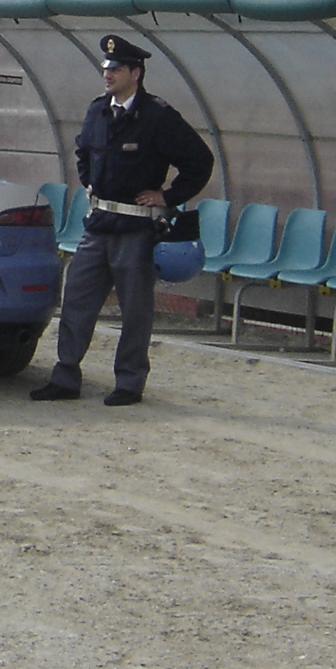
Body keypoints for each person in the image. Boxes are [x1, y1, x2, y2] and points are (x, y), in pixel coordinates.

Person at [32, 32, 215, 407]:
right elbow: (83, 152)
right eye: (106, 68)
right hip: (98, 225)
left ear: (136, 72)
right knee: (77, 301)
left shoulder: (158, 117)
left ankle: (129, 383)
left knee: (135, 310)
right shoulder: (98, 110)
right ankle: (65, 376)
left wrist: (168, 196)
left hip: (136, 228)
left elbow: (200, 161)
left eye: (115, 68)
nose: (108, 74)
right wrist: (89, 183)